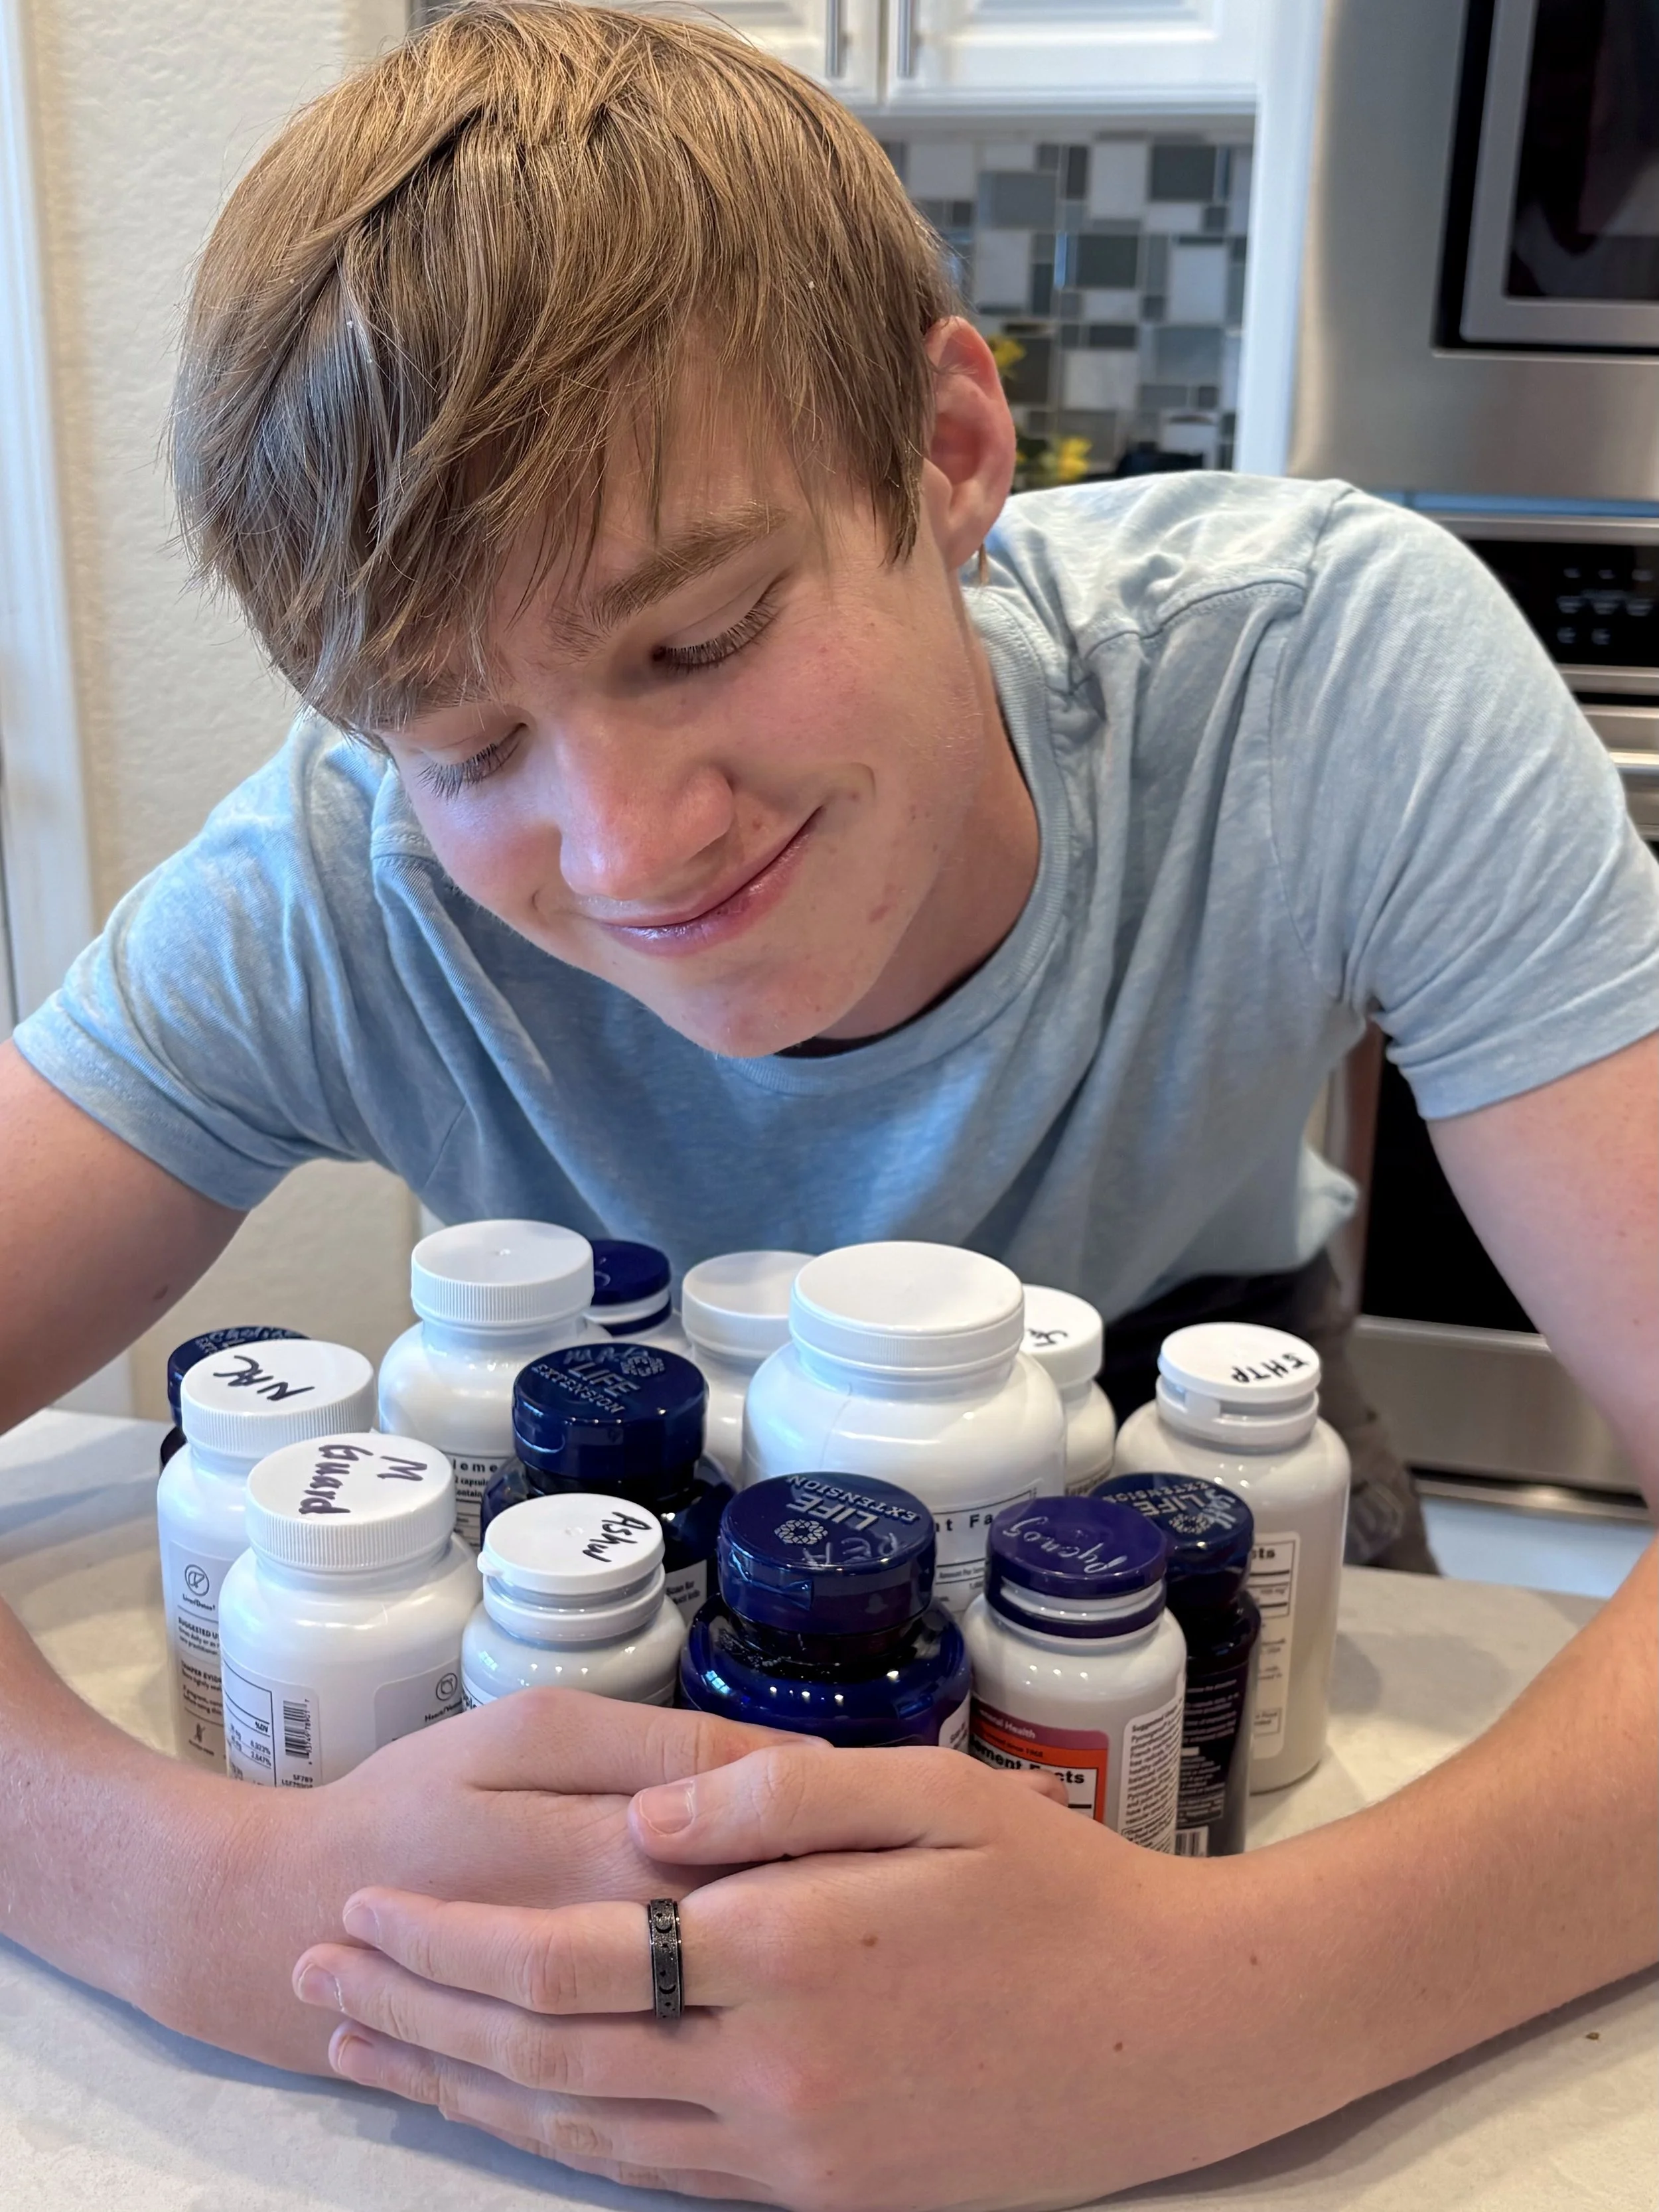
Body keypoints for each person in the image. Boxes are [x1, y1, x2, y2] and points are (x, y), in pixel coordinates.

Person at [0, 5, 1653, 2203]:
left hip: (1209, 1431)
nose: (626, 847)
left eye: (695, 638)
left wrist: (1222, 2003)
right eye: (466, 740)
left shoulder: (1329, 677)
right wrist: (216, 1907)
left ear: (950, 448)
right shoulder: (334, 873)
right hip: (596, 1524)